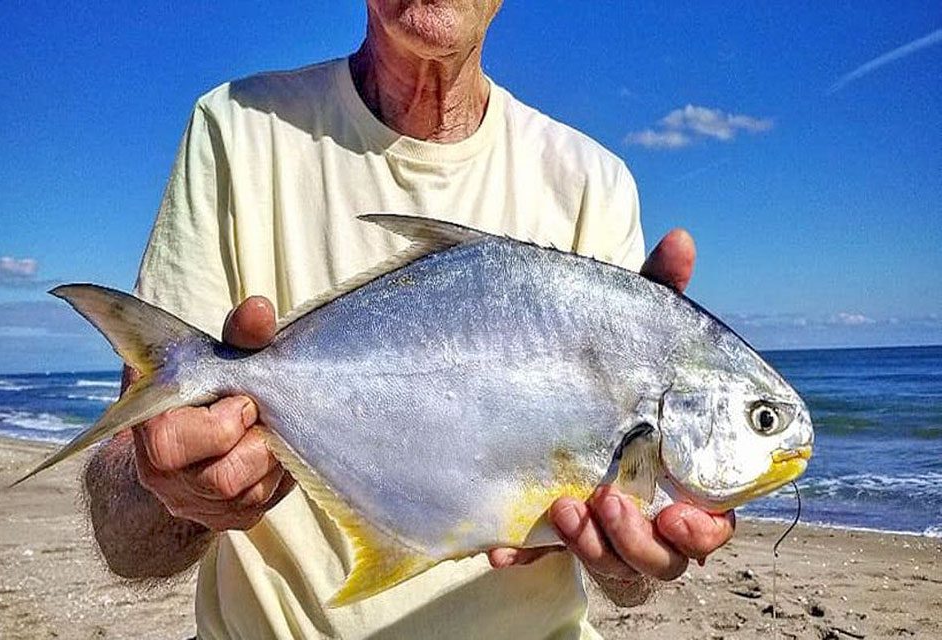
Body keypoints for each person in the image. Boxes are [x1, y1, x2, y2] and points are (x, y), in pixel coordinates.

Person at [83, 1, 735, 638]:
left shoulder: (594, 184)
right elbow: (127, 540)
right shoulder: (235, 130)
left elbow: (625, 547)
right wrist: (172, 492)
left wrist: (630, 562)